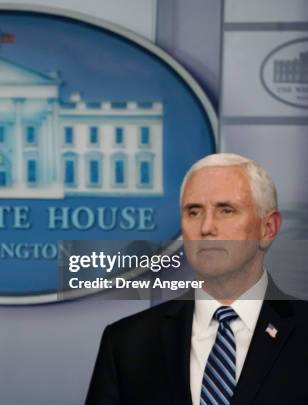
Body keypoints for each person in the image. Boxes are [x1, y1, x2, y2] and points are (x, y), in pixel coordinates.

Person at [85, 153, 308, 405]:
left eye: (226, 210)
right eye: (194, 212)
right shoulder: (127, 343)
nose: (206, 227)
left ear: (268, 228)